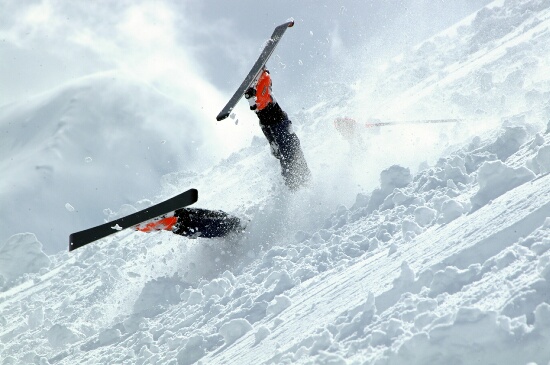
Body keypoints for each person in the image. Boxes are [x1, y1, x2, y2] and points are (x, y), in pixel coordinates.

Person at [245, 69, 311, 190]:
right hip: (279, 125)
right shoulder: (299, 174)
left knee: (269, 123)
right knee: (285, 143)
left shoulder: (294, 176)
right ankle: (261, 87)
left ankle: (256, 94)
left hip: (273, 127)